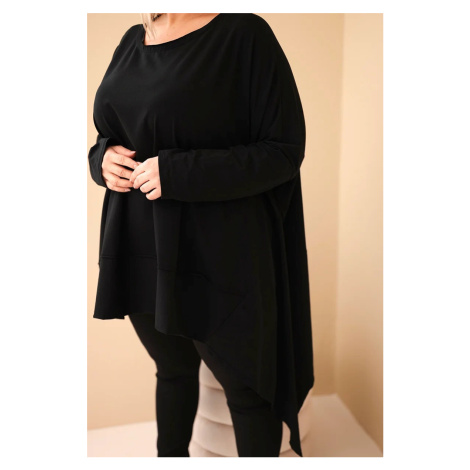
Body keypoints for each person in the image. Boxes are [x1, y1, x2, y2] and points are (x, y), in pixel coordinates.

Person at [88, 12, 315, 457]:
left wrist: (178, 172)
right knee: (172, 370)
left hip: (219, 255)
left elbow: (284, 151)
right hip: (140, 247)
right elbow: (113, 132)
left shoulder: (244, 34)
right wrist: (101, 159)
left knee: (249, 395)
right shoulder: (134, 39)